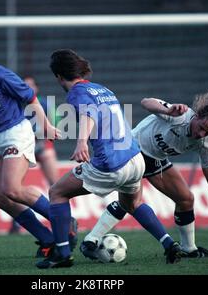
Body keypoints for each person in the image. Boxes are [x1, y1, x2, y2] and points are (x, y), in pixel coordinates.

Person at [36, 49, 184, 269]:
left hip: (112, 164)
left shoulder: (77, 92)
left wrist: (81, 142)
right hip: (135, 158)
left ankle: (62, 254)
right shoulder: (102, 89)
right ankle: (169, 244)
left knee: (57, 192)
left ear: (58, 76)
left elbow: (89, 114)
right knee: (132, 204)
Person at [0, 31, 77, 258]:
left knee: (12, 188)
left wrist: (46, 125)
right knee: (0, 197)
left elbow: (30, 97)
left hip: (16, 132)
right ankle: (47, 237)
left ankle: (63, 220)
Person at [80, 91, 208, 259]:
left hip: (156, 160)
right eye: (201, 128)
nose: (201, 134)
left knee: (186, 199)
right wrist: (167, 110)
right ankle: (91, 239)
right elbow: (146, 101)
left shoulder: (204, 142)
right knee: (130, 203)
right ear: (198, 116)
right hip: (132, 151)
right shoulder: (180, 115)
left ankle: (188, 248)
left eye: (207, 132)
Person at [9, 76, 60, 235]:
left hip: (42, 147)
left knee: (56, 186)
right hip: (23, 147)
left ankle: (63, 218)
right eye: (24, 85)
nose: (28, 87)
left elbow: (54, 124)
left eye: (31, 85)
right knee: (14, 187)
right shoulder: (15, 105)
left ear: (36, 88)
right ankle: (16, 224)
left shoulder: (45, 103)